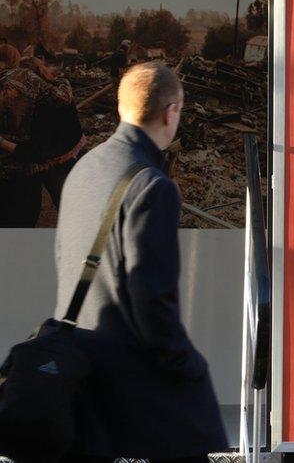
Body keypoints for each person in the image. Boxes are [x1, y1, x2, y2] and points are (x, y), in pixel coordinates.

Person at [53, 61, 226, 462]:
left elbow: (65, 258)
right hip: (130, 376)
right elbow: (151, 296)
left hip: (79, 367)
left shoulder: (84, 168)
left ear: (121, 108)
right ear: (172, 111)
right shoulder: (153, 186)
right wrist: (186, 362)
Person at [0, 44, 84, 226]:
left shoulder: (20, 89)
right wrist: (63, 82)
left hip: (33, 165)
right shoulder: (28, 83)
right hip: (33, 169)